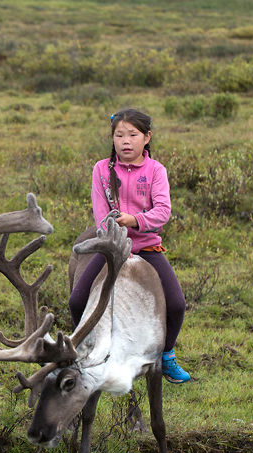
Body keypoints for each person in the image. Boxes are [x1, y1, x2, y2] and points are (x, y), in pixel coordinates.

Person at [68, 108, 190, 383]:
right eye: (119, 135)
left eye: (132, 135)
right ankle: (82, 353)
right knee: (77, 301)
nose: (125, 141)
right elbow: (100, 213)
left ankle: (167, 355)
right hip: (112, 247)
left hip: (147, 248)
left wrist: (134, 220)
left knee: (176, 304)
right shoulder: (101, 169)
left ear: (147, 138)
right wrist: (111, 231)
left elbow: (163, 212)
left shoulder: (156, 170)